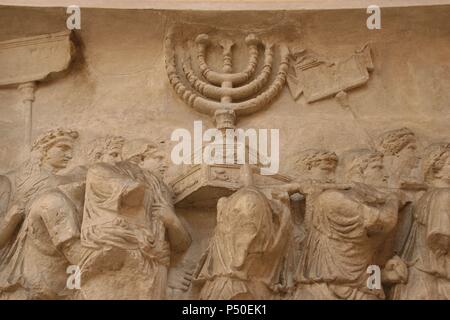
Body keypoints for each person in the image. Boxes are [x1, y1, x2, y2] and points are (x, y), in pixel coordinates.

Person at [78, 136, 191, 299]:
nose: (164, 164)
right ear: (139, 160)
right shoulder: (108, 177)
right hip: (122, 266)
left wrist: (172, 221)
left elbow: (182, 244)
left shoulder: (162, 190)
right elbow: (110, 230)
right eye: (158, 158)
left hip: (156, 267)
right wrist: (150, 247)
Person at [293, 149, 402, 300]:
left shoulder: (362, 200)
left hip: (360, 287)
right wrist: (393, 198)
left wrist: (384, 275)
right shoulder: (333, 198)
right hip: (330, 290)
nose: (385, 175)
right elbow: (386, 220)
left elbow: (362, 256)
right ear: (358, 171)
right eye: (378, 167)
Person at [0, 128, 84, 299]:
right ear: (44, 149)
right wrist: (11, 218)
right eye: (63, 148)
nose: (69, 156)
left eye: (71, 151)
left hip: (61, 268)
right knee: (51, 201)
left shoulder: (65, 181)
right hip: (20, 264)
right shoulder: (10, 181)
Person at [193, 187, 292, 300]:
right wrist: (285, 214)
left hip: (222, 289)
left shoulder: (223, 225)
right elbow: (275, 246)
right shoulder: (251, 231)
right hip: (237, 291)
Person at [390, 143, 450, 299]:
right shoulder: (443, 195)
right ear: (436, 169)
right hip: (433, 276)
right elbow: (440, 238)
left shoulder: (424, 196)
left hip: (418, 275)